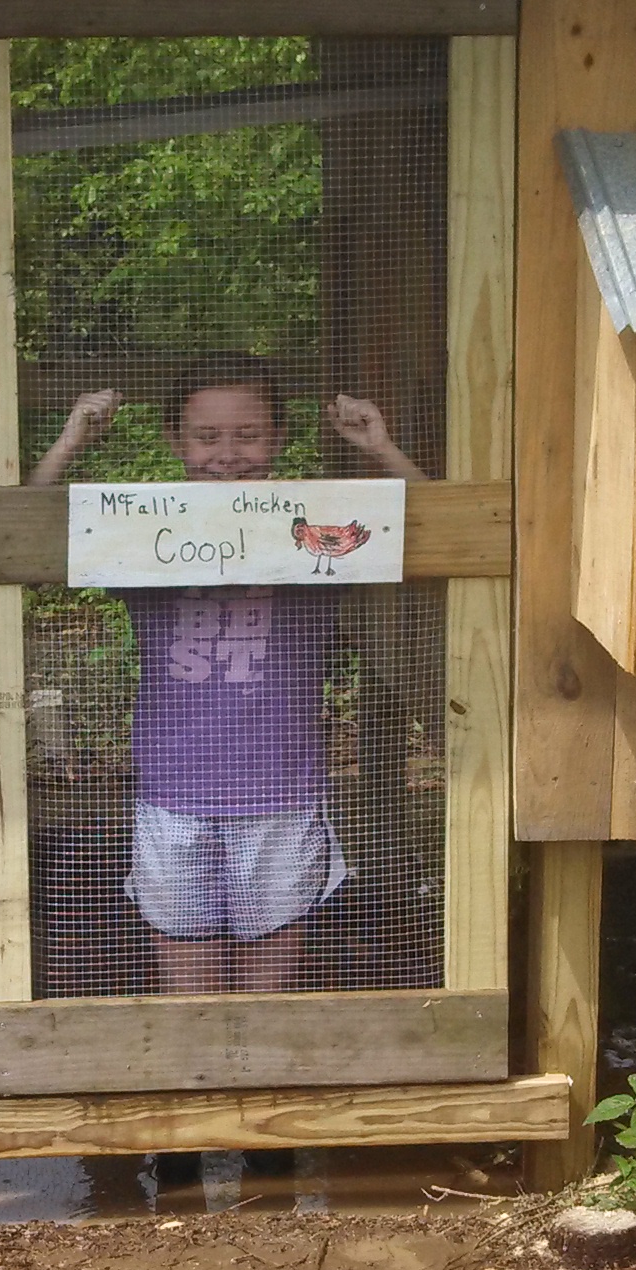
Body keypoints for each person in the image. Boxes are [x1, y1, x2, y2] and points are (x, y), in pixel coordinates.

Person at [30, 354, 423, 993]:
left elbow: (442, 532)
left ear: (278, 438)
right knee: (191, 993)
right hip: (172, 800)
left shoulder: (313, 527)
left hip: (281, 801)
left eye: (248, 435)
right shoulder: (138, 528)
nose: (227, 455)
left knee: (267, 997)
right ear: (176, 441)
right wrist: (70, 442)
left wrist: (382, 450)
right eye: (207, 437)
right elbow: (18, 539)